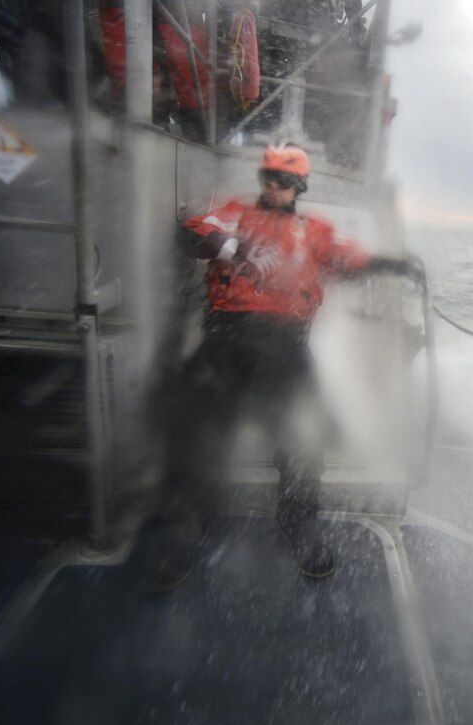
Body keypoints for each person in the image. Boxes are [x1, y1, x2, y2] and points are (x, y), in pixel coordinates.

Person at [148, 142, 422, 589]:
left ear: (300, 187)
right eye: (269, 178)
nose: (275, 186)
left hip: (287, 345)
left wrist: (395, 265)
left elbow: (351, 262)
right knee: (195, 425)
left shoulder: (315, 231)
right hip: (226, 338)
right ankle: (184, 528)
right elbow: (189, 236)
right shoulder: (233, 214)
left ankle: (298, 521)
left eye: (286, 181)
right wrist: (227, 245)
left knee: (303, 433)